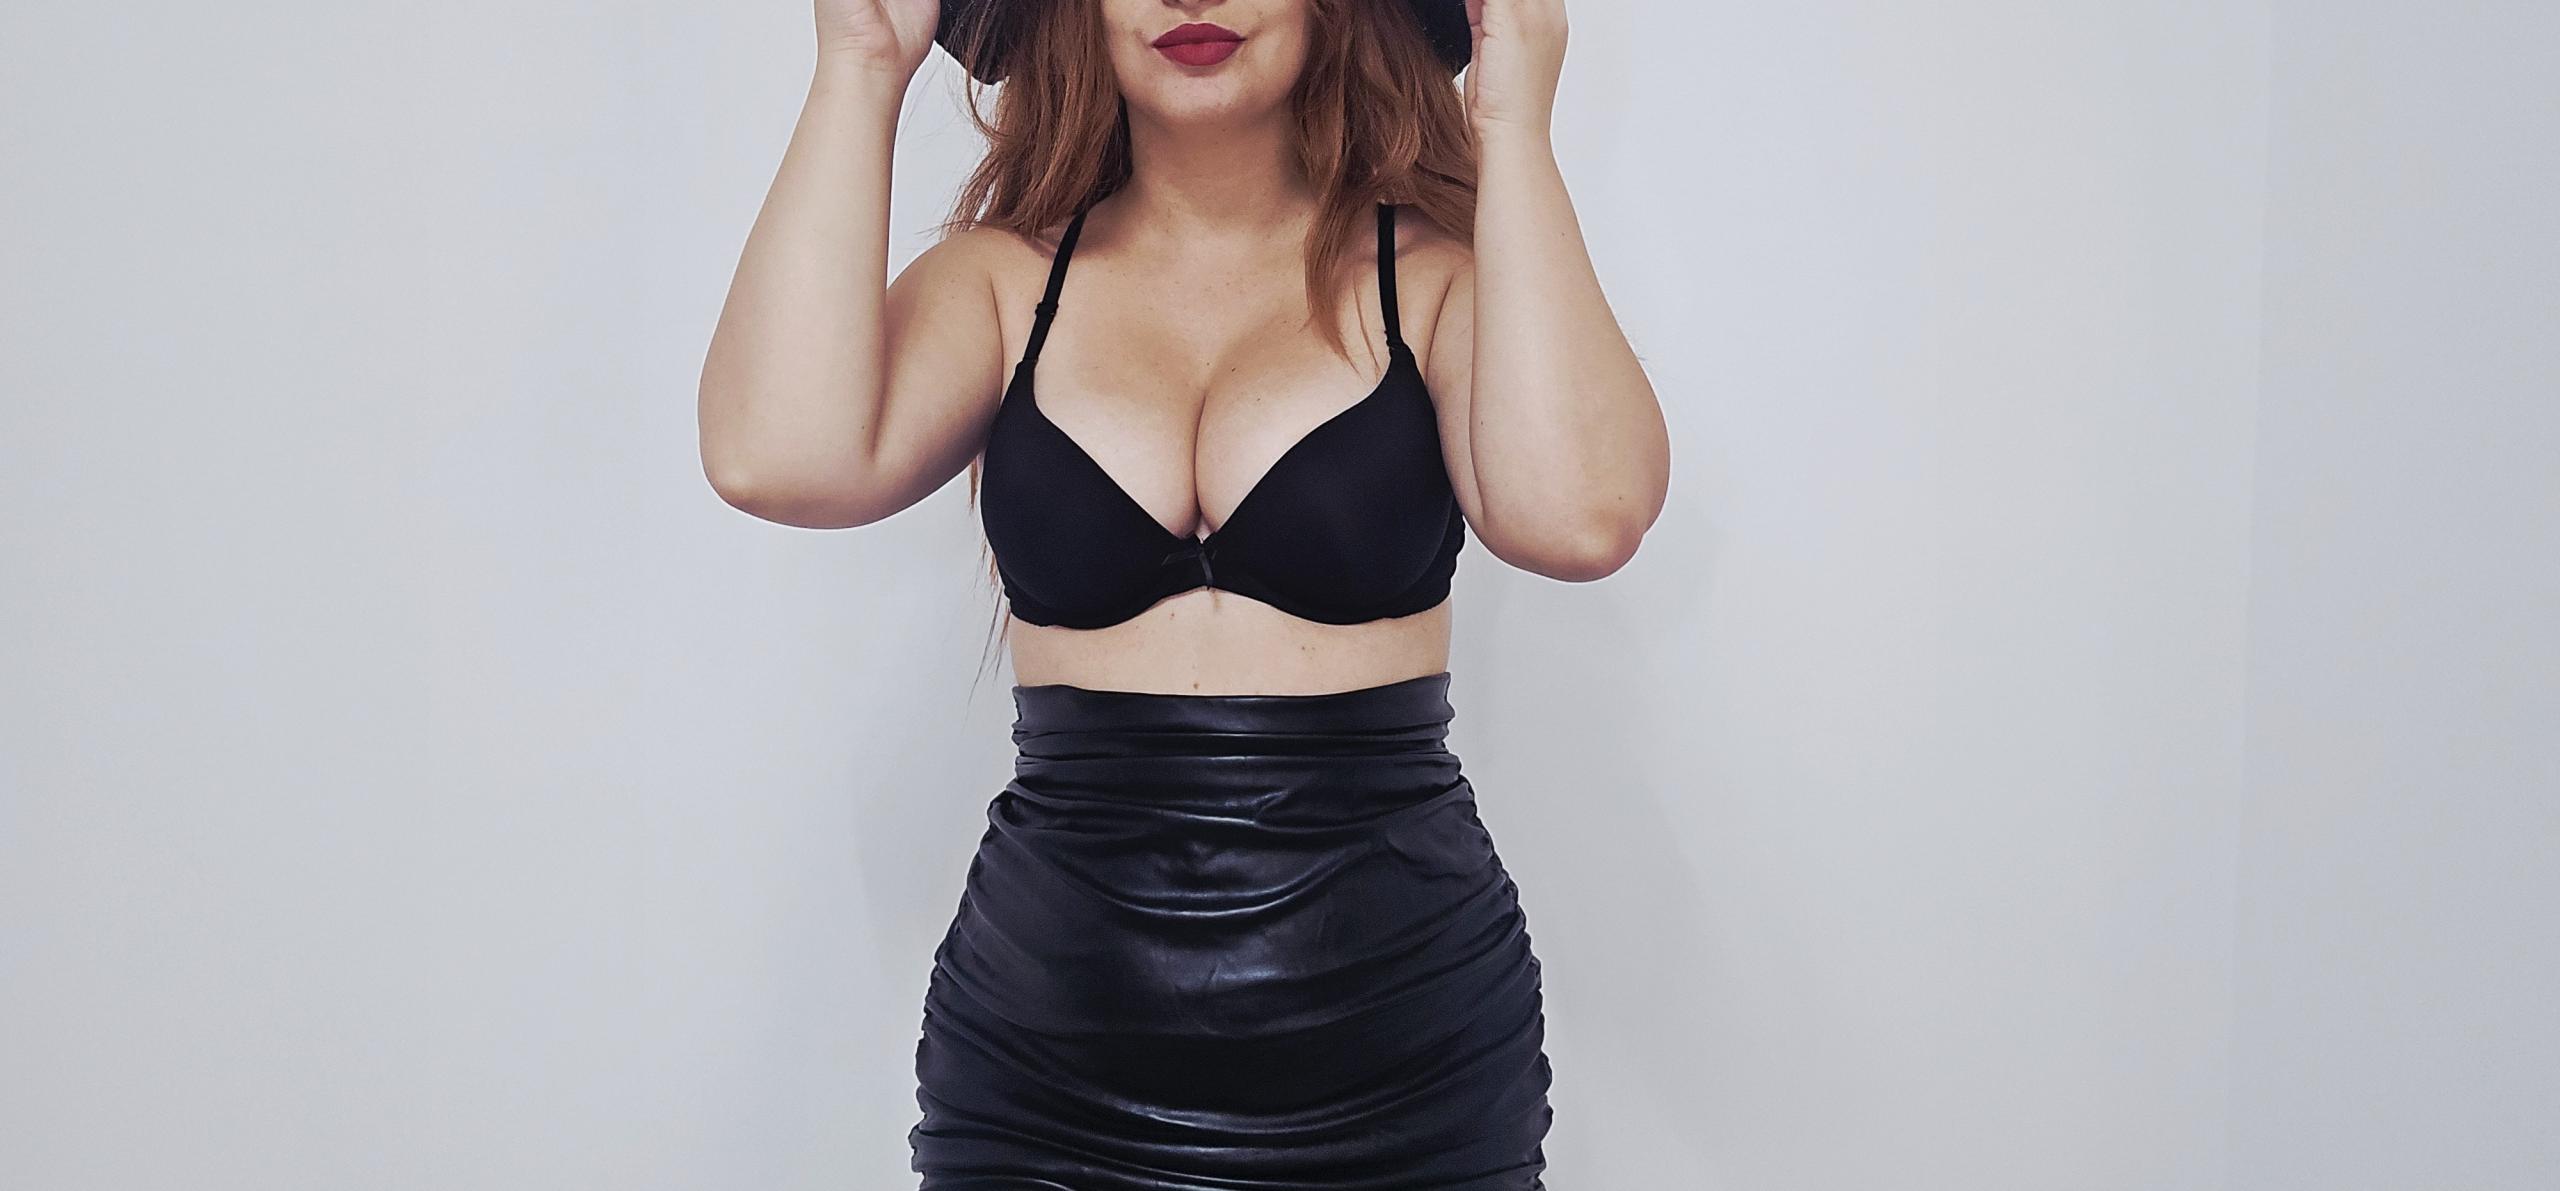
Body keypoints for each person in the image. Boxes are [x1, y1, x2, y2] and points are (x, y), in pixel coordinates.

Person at [697, 0, 1668, 1183]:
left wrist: (1510, 120)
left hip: (1397, 1057)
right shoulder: (1004, 283)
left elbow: (1580, 517)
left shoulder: (1435, 285)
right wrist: (859, 68)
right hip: (1042, 1063)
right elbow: (776, 458)